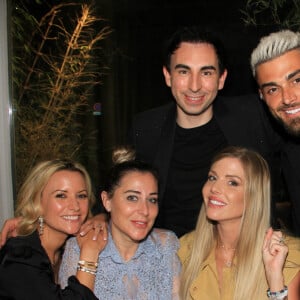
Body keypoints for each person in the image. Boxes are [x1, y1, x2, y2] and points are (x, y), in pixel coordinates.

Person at [128, 25, 282, 237]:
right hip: (171, 257)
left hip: (247, 252)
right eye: (183, 71)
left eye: (206, 72)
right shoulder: (146, 128)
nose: (194, 86)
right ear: (167, 76)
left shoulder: (252, 116)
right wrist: (100, 217)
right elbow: (123, 186)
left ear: (221, 78)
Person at [58, 147, 181, 299]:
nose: (145, 210)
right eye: (132, 198)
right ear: (107, 201)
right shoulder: (79, 247)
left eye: (152, 199)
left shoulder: (165, 245)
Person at [178, 146, 300, 300]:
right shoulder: (185, 248)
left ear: (254, 196)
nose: (214, 188)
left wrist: (275, 278)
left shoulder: (288, 254)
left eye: (232, 183)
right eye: (212, 178)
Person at [0, 159, 106, 299]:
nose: (75, 206)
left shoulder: (66, 247)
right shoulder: (20, 257)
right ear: (37, 202)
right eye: (61, 195)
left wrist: (102, 218)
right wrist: (89, 254)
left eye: (81, 195)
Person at [251, 29, 300, 236]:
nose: (287, 98)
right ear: (262, 96)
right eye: (273, 89)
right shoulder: (291, 153)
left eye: (297, 80)